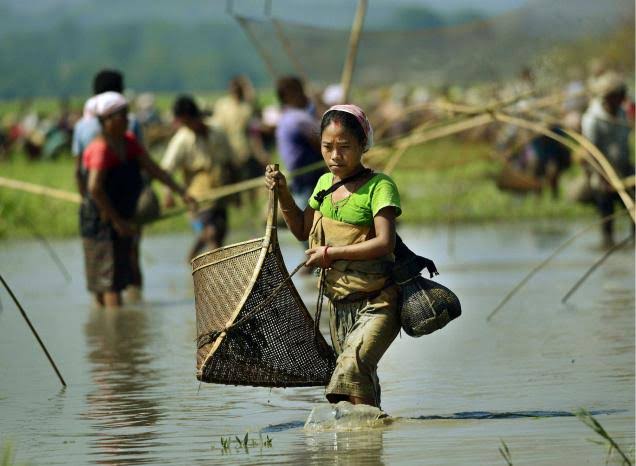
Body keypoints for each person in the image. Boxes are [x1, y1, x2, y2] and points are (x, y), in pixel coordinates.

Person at [265, 104, 401, 409]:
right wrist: (284, 193)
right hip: (340, 307)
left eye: (344, 147)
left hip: (378, 302)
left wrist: (331, 253)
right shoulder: (325, 185)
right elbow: (301, 229)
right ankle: (368, 445)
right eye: (328, 147)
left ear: (363, 146)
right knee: (358, 390)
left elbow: (385, 242)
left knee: (351, 369)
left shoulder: (380, 187)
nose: (335, 156)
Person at [81, 92, 193, 308]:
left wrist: (181, 191)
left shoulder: (129, 142)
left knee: (119, 277)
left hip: (123, 217)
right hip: (101, 220)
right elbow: (94, 188)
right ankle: (114, 334)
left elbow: (154, 169)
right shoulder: (101, 148)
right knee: (108, 282)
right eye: (121, 115)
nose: (126, 119)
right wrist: (117, 222)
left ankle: (116, 329)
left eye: (126, 114)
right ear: (107, 121)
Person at [73, 69, 146, 302]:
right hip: (119, 206)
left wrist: (85, 200)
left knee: (100, 270)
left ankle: (112, 320)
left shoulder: (82, 127)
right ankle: (132, 302)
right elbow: (142, 164)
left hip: (98, 208)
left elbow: (79, 172)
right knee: (124, 264)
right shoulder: (127, 128)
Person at [161, 95, 235, 260]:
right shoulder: (182, 139)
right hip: (197, 197)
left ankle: (192, 260)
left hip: (220, 191)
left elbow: (229, 162)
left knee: (219, 234)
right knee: (211, 234)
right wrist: (168, 194)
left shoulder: (217, 132)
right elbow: (167, 169)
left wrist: (235, 191)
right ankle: (215, 274)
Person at [581, 71, 634, 247]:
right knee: (607, 213)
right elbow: (591, 153)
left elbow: (624, 146)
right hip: (602, 175)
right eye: (620, 95)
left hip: (623, 171)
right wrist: (604, 177)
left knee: (633, 210)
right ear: (610, 97)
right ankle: (607, 244)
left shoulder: (622, 114)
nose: (623, 99)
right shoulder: (592, 119)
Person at [275, 76, 324, 210]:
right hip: (309, 184)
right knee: (311, 225)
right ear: (291, 95)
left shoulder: (285, 117)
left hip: (299, 182)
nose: (304, 96)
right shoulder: (299, 119)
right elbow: (324, 144)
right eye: (300, 91)